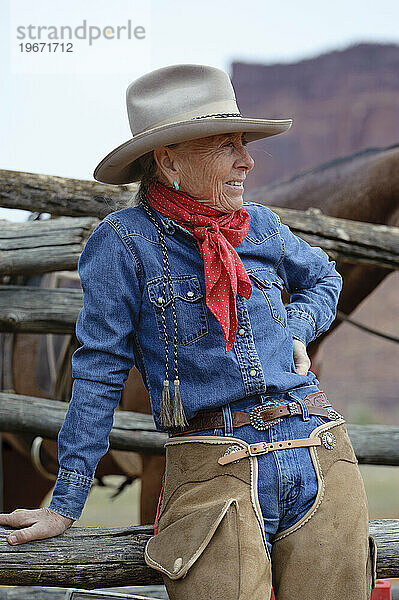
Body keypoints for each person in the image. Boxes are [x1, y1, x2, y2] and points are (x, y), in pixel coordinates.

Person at [0, 64, 376, 599]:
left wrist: (297, 326)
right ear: (168, 158)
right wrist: (65, 504)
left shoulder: (261, 226)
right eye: (226, 145)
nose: (247, 160)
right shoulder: (124, 243)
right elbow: (99, 370)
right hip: (213, 473)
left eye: (243, 144)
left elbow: (323, 276)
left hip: (319, 451)